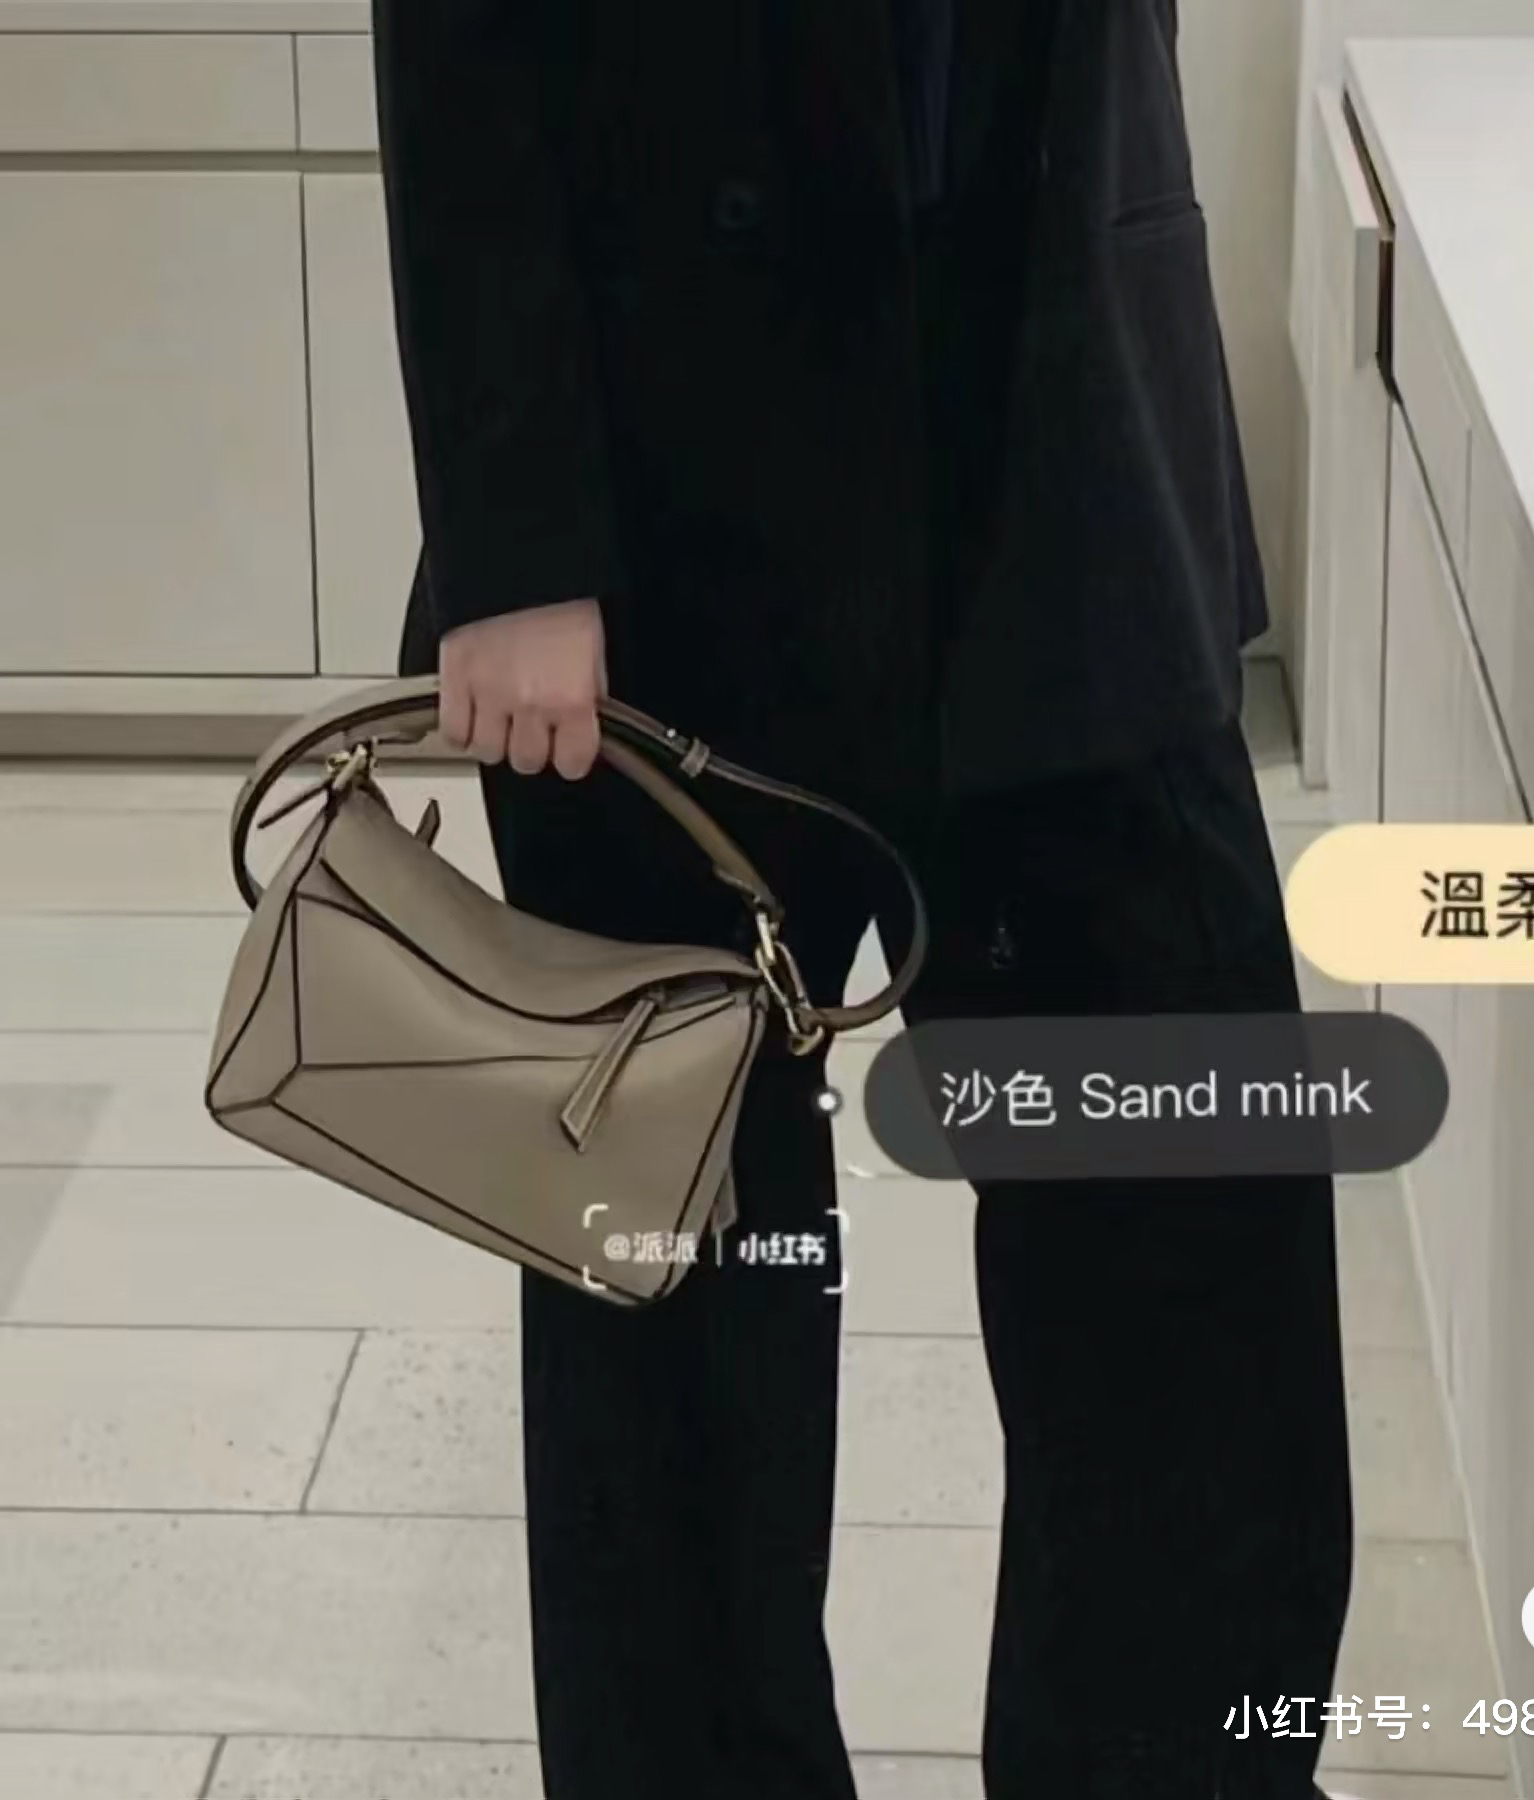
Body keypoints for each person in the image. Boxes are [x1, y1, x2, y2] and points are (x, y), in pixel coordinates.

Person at [371, 2, 1354, 1795]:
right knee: (673, 1288)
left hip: (1062, 419)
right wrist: (515, 535)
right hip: (662, 502)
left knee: (1187, 1235)